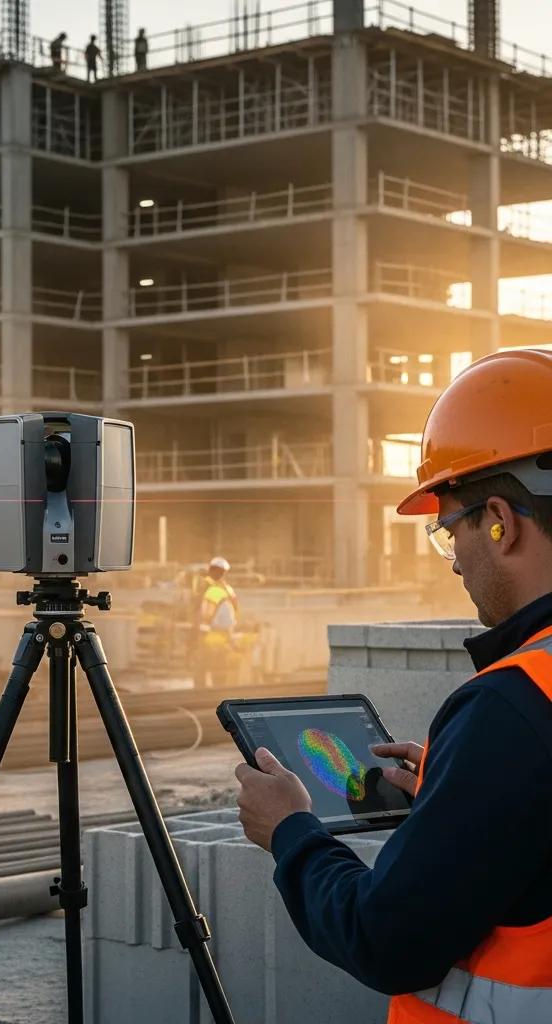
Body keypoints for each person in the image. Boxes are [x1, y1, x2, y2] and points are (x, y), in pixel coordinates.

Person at [233, 348, 552, 1023]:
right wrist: (460, 790)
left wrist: (290, 832)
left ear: (500, 519)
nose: (455, 563)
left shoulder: (512, 705)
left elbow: (385, 941)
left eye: (450, 531)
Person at [193, 555, 239, 688]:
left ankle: (202, 691)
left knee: (204, 664)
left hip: (212, 634)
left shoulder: (212, 590)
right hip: (225, 633)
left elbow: (205, 614)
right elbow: (235, 610)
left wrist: (198, 631)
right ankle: (218, 690)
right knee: (219, 667)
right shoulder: (228, 589)